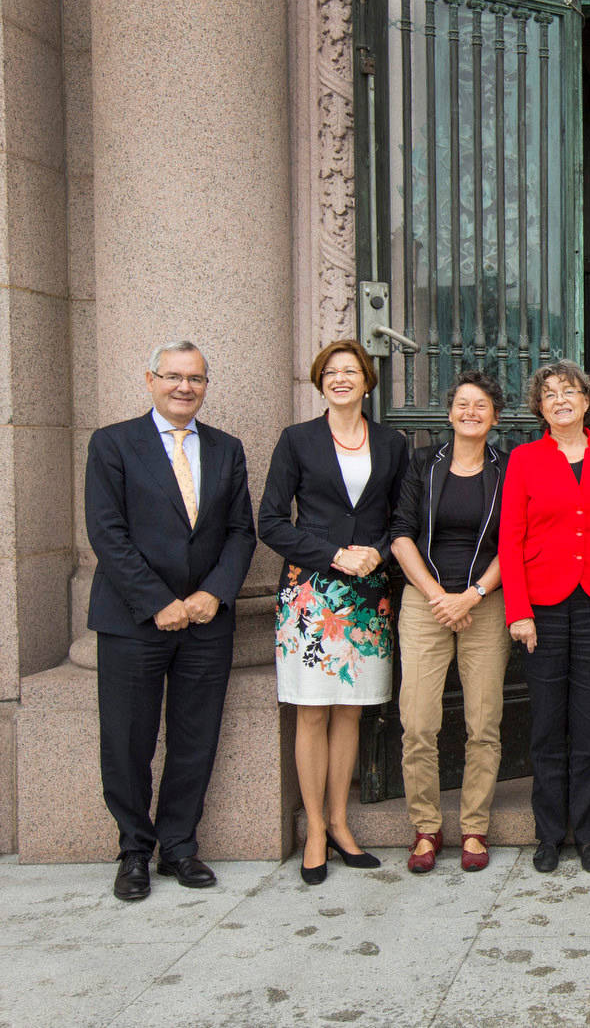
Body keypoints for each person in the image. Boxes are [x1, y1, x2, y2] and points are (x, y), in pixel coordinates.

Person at [85, 341, 257, 901]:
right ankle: (134, 849)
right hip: (133, 619)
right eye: (174, 376)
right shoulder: (113, 443)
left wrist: (214, 593)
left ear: (206, 386)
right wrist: (158, 601)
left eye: (196, 379)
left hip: (207, 621)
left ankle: (179, 846)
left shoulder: (227, 448)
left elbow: (241, 532)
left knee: (195, 738)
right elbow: (106, 531)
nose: (185, 387)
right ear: (150, 380)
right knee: (127, 740)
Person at [259, 339, 409, 885]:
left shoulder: (391, 443)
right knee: (312, 711)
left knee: (351, 709)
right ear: (320, 382)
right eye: (330, 372)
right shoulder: (296, 440)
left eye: (350, 371)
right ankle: (316, 831)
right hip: (311, 595)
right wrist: (333, 554)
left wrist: (380, 553)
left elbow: (403, 518)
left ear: (367, 381)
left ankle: (342, 823)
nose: (340, 378)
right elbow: (270, 521)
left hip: (367, 597)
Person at [499, 359, 590, 875]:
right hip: (543, 606)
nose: (560, 400)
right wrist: (518, 611)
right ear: (540, 406)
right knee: (548, 723)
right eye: (550, 393)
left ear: (586, 400)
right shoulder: (524, 459)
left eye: (570, 391)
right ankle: (549, 834)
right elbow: (510, 538)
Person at [390, 371, 510, 874]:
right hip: (426, 602)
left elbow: (515, 542)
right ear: (449, 413)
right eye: (463, 404)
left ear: (495, 417)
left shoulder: (508, 468)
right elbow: (400, 534)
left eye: (481, 405)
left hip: (485, 601)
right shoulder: (423, 463)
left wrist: (473, 594)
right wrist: (439, 596)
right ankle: (426, 827)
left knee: (483, 722)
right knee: (418, 722)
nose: (470, 412)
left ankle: (474, 826)